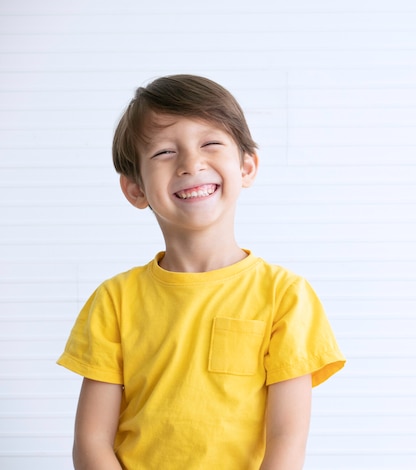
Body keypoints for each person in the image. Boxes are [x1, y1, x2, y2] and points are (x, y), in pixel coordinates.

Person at [57, 74, 345, 469]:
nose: (191, 164)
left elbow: (287, 442)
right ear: (135, 189)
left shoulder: (285, 296)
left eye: (210, 143)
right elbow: (91, 441)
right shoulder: (115, 300)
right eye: (163, 152)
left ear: (246, 167)